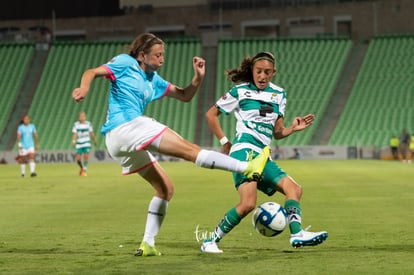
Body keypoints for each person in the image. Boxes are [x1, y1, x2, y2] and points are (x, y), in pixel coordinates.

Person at [71, 33, 270, 257]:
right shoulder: (126, 63)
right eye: (157, 55)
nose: (162, 59)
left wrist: (198, 77)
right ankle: (246, 167)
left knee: (165, 189)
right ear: (142, 55)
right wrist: (84, 87)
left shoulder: (154, 79)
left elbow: (185, 95)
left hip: (119, 142)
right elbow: (92, 72)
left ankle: (147, 244)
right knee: (190, 150)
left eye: (163, 55)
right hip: (126, 127)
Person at [201, 51, 328, 253]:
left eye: (267, 72)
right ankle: (210, 241)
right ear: (252, 71)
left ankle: (297, 234)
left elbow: (277, 132)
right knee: (248, 204)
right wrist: (225, 141)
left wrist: (292, 129)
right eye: (259, 71)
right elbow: (211, 114)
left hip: (263, 155)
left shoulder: (279, 94)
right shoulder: (240, 91)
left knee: (294, 189)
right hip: (244, 151)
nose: (262, 76)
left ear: (273, 73)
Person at [72, 111, 97, 176]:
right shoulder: (76, 124)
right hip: (79, 143)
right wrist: (74, 141)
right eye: (81, 116)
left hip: (86, 142)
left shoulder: (88, 124)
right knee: (78, 159)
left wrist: (94, 140)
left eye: (83, 116)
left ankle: (84, 170)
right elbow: (75, 134)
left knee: (86, 156)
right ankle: (82, 168)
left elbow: (91, 133)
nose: (82, 117)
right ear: (79, 117)